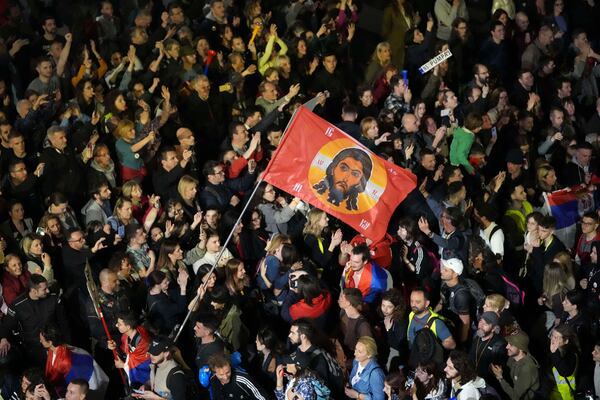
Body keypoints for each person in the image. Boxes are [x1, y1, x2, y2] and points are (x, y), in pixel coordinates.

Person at [491, 330, 540, 399]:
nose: (507, 347)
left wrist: (500, 378)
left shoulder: (526, 369)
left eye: (511, 344)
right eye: (508, 343)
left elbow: (516, 397)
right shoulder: (512, 358)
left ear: (520, 348)